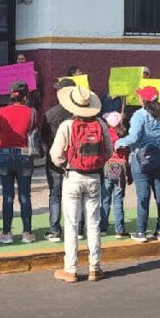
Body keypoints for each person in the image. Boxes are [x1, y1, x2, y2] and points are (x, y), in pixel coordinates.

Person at [50, 85, 113, 283]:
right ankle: (95, 268)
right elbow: (109, 151)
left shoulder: (67, 126)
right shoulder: (101, 124)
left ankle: (71, 269)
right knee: (93, 223)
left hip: (73, 176)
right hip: (94, 177)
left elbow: (55, 155)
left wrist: (65, 165)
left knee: (71, 223)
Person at [115, 85, 160, 242]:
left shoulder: (139, 115)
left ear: (143, 99)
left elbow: (133, 137)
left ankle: (141, 232)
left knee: (143, 196)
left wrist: (118, 142)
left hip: (141, 158)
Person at [0, 81, 38, 244]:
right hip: (24, 154)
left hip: (5, 154)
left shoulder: (2, 111)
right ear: (25, 97)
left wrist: (0, 142)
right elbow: (34, 133)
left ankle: (6, 232)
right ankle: (27, 233)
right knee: (25, 195)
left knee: (7, 196)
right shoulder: (32, 112)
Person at [40, 78, 76, 242]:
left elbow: (44, 139)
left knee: (55, 195)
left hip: (55, 160)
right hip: (76, 160)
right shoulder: (82, 114)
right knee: (76, 196)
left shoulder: (50, 114)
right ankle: (78, 228)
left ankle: (55, 230)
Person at [100, 111, 130, 237]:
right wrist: (129, 174)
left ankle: (102, 227)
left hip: (108, 166)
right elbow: (127, 156)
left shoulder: (105, 135)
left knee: (105, 198)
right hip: (120, 167)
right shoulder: (124, 136)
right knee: (118, 200)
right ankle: (119, 229)